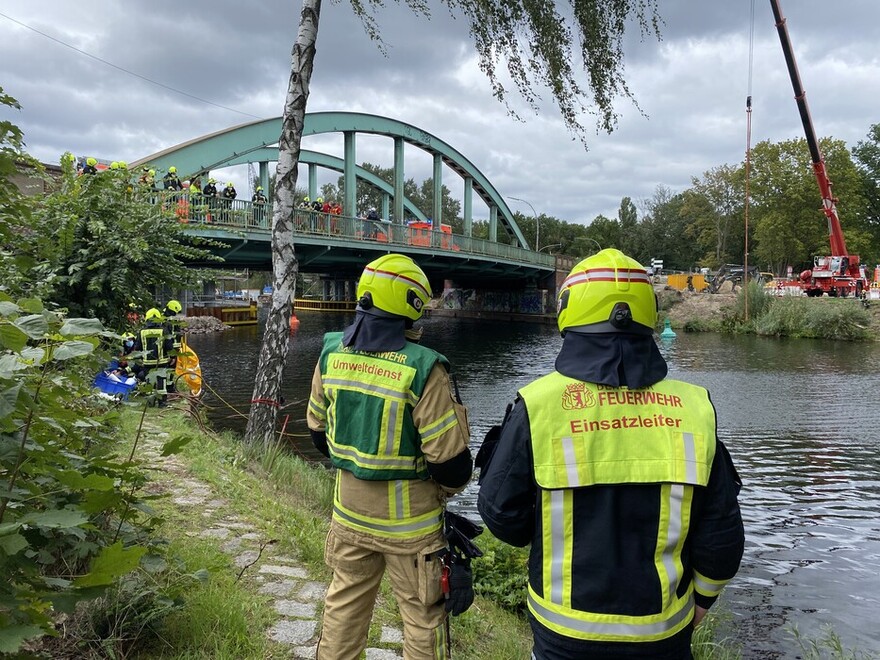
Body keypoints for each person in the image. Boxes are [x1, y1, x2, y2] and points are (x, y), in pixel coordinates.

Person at [477, 248, 745, 660]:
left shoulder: (540, 405)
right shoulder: (695, 408)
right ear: (648, 315)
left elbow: (503, 519)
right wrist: (701, 602)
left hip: (563, 632)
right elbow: (721, 535)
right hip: (663, 635)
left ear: (570, 311)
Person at [308, 253, 473, 660]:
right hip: (411, 529)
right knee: (422, 617)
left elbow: (317, 434)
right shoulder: (424, 369)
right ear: (411, 306)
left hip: (348, 516)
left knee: (343, 607)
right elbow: (450, 465)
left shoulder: (331, 352)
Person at [132, 307, 174, 404]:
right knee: (161, 383)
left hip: (147, 363)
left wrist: (139, 360)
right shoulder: (163, 331)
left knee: (149, 382)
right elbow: (169, 345)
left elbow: (137, 347)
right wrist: (172, 357)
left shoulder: (142, 332)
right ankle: (162, 403)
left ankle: (150, 403)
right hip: (161, 362)